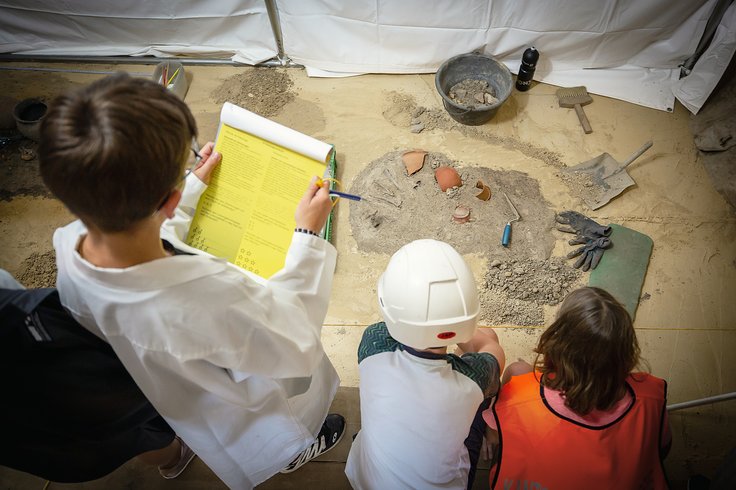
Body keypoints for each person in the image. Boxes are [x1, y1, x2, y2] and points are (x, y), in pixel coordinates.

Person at [38, 73, 345, 489]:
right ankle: (291, 451)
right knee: (278, 422)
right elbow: (294, 340)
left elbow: (145, 232)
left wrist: (192, 189)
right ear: (169, 198)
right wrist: (307, 237)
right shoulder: (205, 298)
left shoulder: (69, 242)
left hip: (171, 391)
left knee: (213, 428)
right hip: (241, 394)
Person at [0, 269, 191, 482]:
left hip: (28, 427)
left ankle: (170, 455)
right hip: (32, 361)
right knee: (129, 425)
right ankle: (173, 454)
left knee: (103, 434)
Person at [345, 239, 506, 490]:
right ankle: (490, 423)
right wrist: (456, 328)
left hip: (368, 481)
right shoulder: (473, 378)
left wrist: (437, 328)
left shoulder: (373, 344)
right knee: (489, 338)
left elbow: (392, 327)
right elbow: (493, 349)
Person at [485, 286, 671, 489]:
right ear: (626, 350)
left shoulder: (520, 394)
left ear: (558, 342)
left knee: (519, 369)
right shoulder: (651, 396)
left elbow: (494, 438)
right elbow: (662, 447)